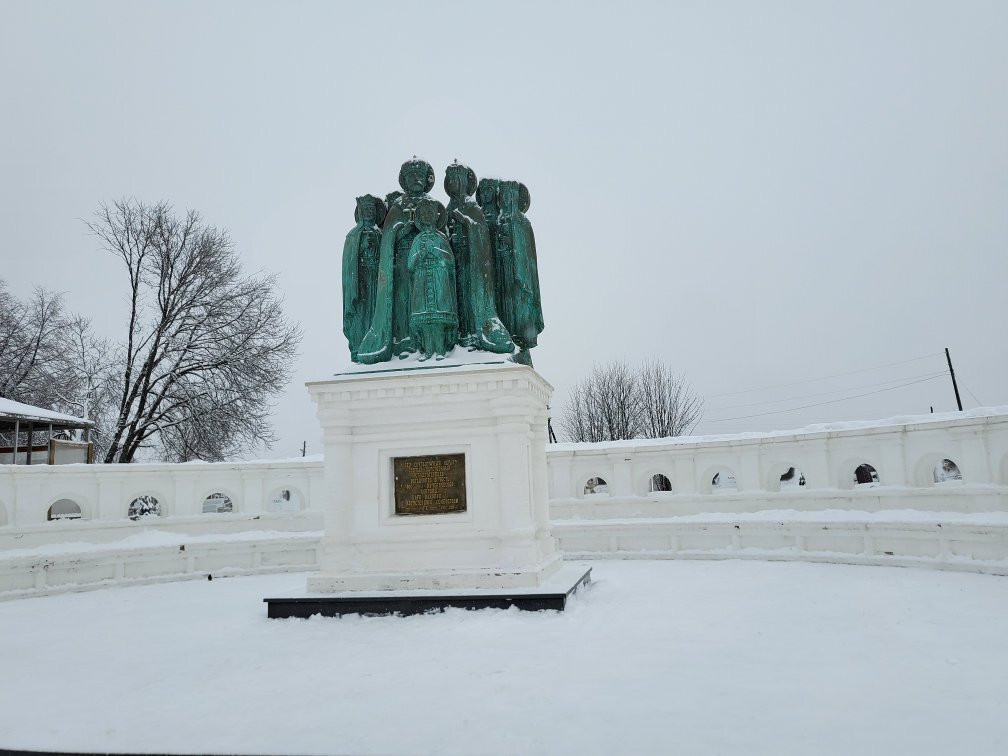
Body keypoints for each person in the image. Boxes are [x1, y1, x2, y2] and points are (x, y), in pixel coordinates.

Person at [357, 158, 439, 363]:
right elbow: (389, 236)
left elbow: (439, 231)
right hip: (403, 262)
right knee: (404, 301)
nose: (416, 180)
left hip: (425, 263)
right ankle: (405, 341)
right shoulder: (398, 206)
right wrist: (405, 227)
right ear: (405, 181)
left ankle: (427, 340)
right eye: (412, 176)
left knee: (424, 298)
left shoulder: (432, 204)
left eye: (420, 176)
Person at [444, 162, 513, 353]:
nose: (454, 183)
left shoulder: (472, 207)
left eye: (458, 179)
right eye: (450, 180)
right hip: (454, 260)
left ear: (466, 183)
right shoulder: (448, 207)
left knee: (469, 293)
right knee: (458, 296)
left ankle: (475, 334)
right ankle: (461, 334)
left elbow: (479, 231)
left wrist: (465, 222)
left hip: (471, 260)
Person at [495, 180, 544, 366]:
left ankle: (523, 349)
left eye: (510, 195)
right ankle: (513, 347)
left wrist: (511, 245)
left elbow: (526, 254)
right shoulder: (501, 221)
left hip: (520, 279)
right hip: (504, 274)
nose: (506, 199)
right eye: (503, 196)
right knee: (506, 314)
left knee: (520, 316)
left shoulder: (522, 222)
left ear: (516, 198)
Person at [407, 198, 458, 360]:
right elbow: (410, 264)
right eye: (424, 213)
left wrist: (435, 251)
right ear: (419, 217)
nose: (427, 216)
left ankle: (440, 350)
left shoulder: (440, 238)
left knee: (438, 317)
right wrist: (421, 254)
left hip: (438, 277)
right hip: (422, 278)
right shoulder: (417, 239)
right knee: (426, 319)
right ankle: (428, 350)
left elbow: (449, 260)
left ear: (436, 216)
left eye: (430, 213)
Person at [341, 194, 385, 361]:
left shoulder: (381, 234)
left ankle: (376, 344)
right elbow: (349, 263)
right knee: (362, 314)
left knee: (377, 313)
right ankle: (359, 346)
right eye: (365, 209)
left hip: (378, 280)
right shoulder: (353, 235)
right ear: (359, 212)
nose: (368, 212)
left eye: (371, 209)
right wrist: (362, 247)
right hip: (360, 283)